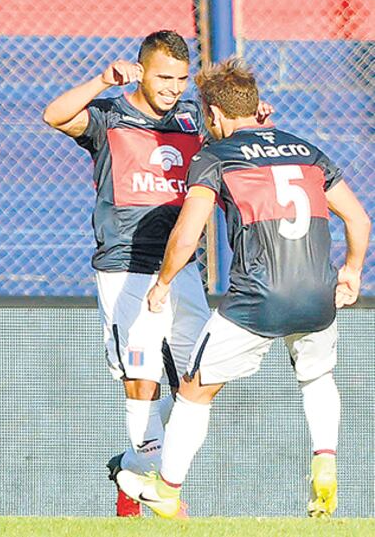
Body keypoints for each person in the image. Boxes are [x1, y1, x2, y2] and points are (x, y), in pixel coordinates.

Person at [117, 57, 370, 519]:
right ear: (256, 107)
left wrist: (164, 282)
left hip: (257, 298)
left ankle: (169, 488)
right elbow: (358, 217)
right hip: (318, 292)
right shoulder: (308, 151)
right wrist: (352, 270)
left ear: (213, 115)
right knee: (317, 376)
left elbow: (188, 232)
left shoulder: (215, 157)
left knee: (194, 389)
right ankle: (326, 462)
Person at [42, 30, 213, 515]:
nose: (172, 87)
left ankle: (131, 469)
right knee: (141, 379)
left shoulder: (190, 119)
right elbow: (53, 115)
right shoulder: (111, 115)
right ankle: (159, 494)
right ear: (142, 69)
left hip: (180, 267)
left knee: (196, 382)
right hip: (126, 266)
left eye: (181, 79)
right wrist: (100, 81)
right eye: (163, 76)